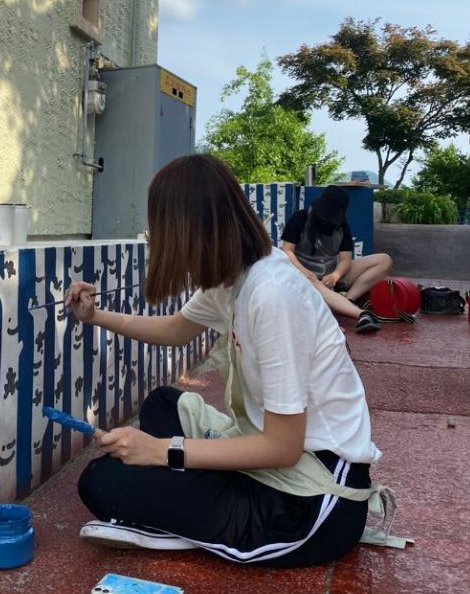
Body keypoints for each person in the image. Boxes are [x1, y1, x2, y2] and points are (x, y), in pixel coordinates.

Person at [66, 155, 380, 567]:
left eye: (158, 229)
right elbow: (175, 330)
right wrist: (94, 316)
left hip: (312, 501)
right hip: (274, 457)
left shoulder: (272, 294)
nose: (155, 239)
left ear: (187, 230)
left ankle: (189, 528)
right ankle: (195, 509)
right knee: (162, 404)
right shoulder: (233, 275)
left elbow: (283, 447)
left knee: (101, 481)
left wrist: (162, 451)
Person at [281, 186, 391, 334]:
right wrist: (306, 273)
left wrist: (335, 275)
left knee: (384, 260)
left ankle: (348, 300)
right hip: (302, 275)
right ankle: (360, 314)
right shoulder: (300, 218)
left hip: (330, 275)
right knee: (314, 283)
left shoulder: (341, 225)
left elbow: (346, 259)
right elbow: (287, 250)